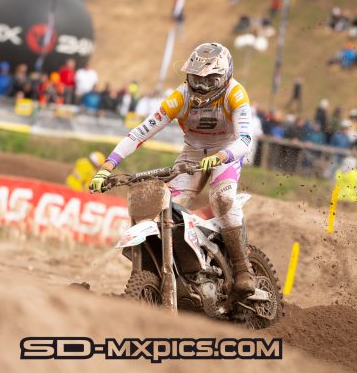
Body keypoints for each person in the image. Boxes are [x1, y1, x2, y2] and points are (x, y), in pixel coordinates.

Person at [90, 43, 257, 295]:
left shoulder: (235, 93)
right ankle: (181, 270)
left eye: (209, 80)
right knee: (169, 209)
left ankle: (243, 269)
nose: (202, 87)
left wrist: (224, 155)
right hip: (193, 153)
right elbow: (139, 133)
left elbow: (245, 139)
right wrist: (107, 166)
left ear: (225, 76)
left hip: (227, 151)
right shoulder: (180, 97)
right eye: (196, 79)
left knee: (222, 198)